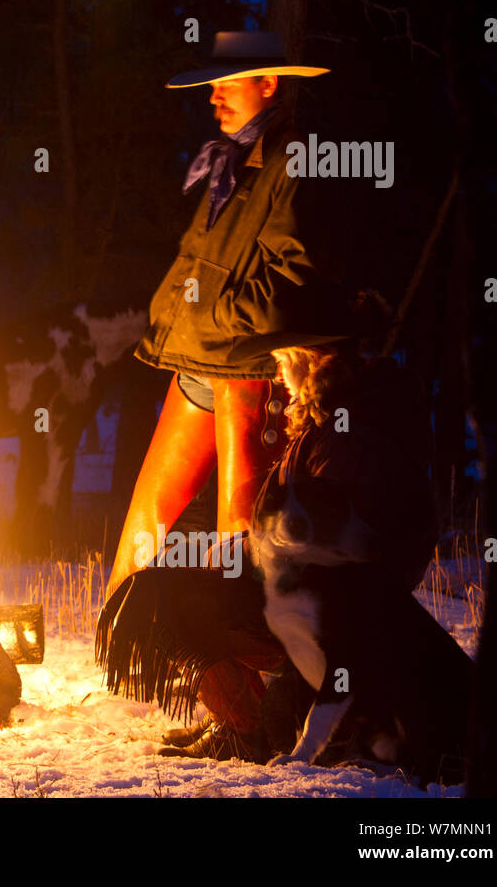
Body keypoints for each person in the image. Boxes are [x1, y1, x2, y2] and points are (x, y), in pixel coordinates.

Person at [98, 294, 441, 764]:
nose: (277, 374)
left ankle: (251, 728)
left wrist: (237, 557)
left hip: (328, 610)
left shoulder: (352, 431)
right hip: (308, 591)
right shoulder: (338, 411)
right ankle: (242, 718)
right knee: (175, 582)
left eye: (281, 360)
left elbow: (331, 549)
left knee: (162, 596)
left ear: (308, 359)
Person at [104, 31, 336, 602]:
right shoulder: (230, 160)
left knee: (237, 530)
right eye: (210, 88)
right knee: (149, 511)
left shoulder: (295, 160)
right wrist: (182, 314)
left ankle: (236, 666)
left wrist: (219, 314)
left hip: (247, 365)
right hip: (199, 355)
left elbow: (297, 275)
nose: (213, 99)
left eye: (225, 86)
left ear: (268, 83)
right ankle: (117, 641)